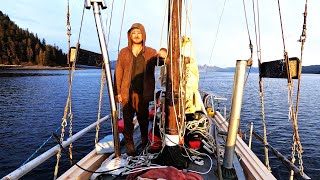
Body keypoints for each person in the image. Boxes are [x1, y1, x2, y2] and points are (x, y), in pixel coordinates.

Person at [114, 23, 167, 156]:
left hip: (143, 93)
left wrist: (163, 52)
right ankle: (129, 145)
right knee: (127, 121)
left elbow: (161, 61)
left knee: (143, 120)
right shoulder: (124, 52)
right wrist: (118, 92)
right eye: (133, 33)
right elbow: (118, 72)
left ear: (143, 35)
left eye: (139, 32)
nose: (136, 35)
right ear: (130, 36)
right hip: (127, 93)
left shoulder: (149, 52)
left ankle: (144, 142)